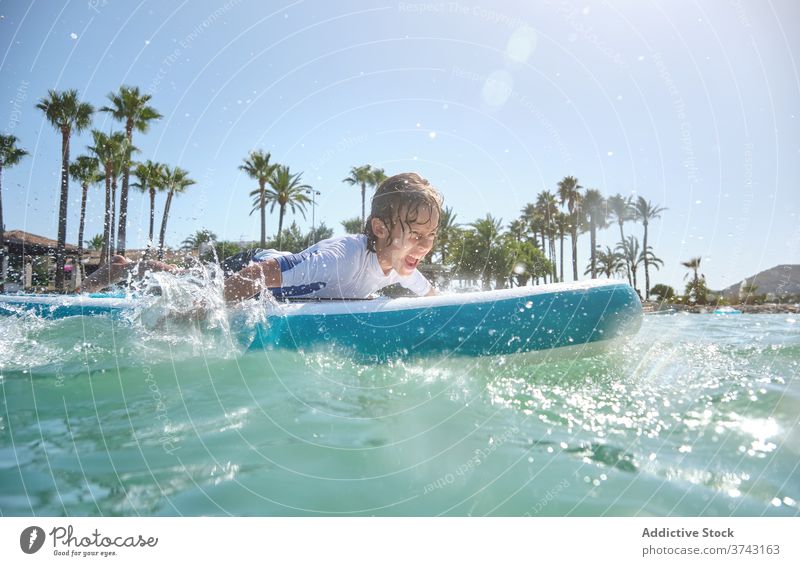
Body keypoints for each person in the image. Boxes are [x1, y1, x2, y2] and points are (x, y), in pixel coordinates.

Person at [80, 172, 443, 302]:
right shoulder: (344, 255)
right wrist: (199, 315)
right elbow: (255, 276)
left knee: (183, 280)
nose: (424, 247)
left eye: (430, 236)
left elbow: (429, 294)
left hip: (266, 279)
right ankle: (124, 268)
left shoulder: (402, 267)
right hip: (253, 267)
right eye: (415, 235)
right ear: (379, 229)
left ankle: (130, 267)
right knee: (185, 286)